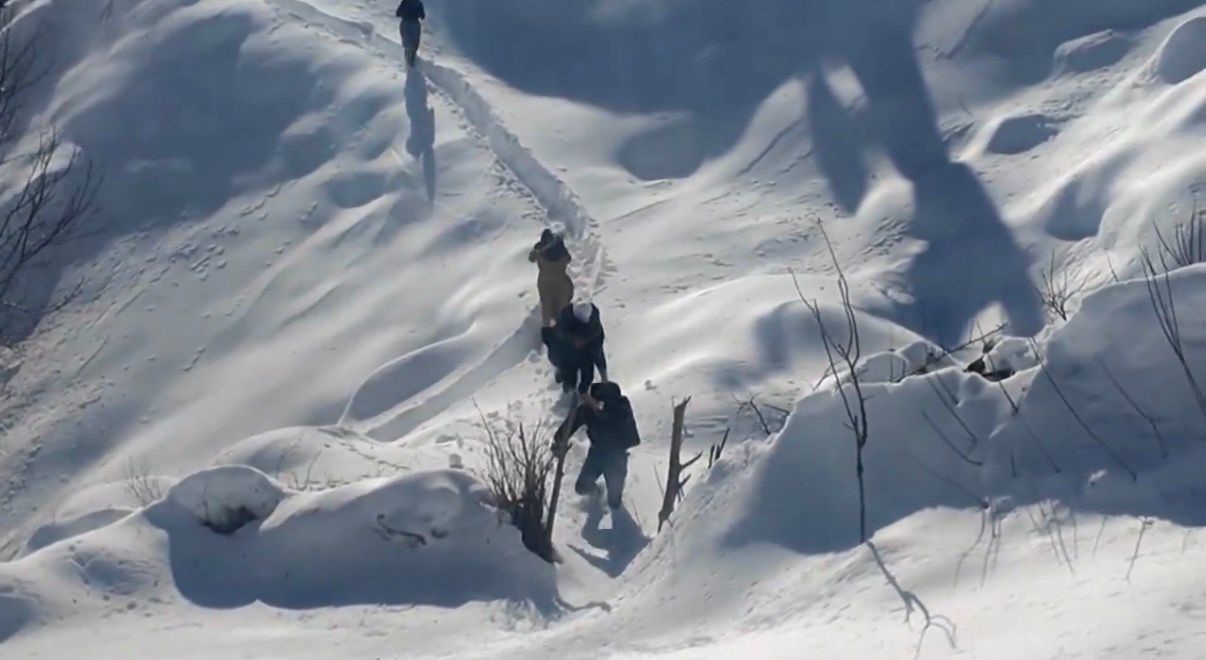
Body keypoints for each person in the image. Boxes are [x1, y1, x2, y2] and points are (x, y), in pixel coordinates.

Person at [554, 382, 640, 509]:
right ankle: (597, 494)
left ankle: (618, 517)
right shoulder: (588, 409)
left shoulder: (622, 405)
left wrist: (596, 405)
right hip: (597, 454)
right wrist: (559, 440)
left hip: (617, 457)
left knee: (614, 502)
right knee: (582, 487)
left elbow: (611, 414)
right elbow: (572, 423)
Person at [554, 301, 607, 395]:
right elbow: (555, 348)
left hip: (586, 354)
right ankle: (569, 392)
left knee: (587, 374)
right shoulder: (564, 323)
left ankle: (583, 393)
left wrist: (604, 375)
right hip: (567, 352)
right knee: (568, 373)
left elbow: (598, 350)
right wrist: (559, 366)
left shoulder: (594, 328)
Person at [528, 229, 573, 327]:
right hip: (561, 283)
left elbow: (531, 258)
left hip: (545, 283)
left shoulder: (540, 252)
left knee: (547, 307)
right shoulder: (561, 252)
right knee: (560, 307)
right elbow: (569, 259)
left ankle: (547, 328)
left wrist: (537, 252)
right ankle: (560, 328)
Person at [395, 0, 426, 68]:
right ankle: (411, 61)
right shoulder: (418, 3)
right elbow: (423, 16)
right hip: (414, 24)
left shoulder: (405, 2)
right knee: (414, 44)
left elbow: (397, 13)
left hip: (405, 23)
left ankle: (408, 62)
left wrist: (404, 12)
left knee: (407, 43)